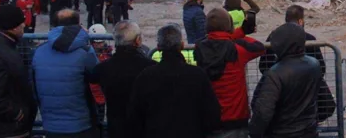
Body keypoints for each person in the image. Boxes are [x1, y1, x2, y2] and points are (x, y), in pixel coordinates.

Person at [128, 24, 221, 138]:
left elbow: (135, 116)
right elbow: (212, 113)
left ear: (158, 47)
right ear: (182, 45)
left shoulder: (145, 77)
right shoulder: (197, 75)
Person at [194, 8, 265, 138]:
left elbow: (210, 41)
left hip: (209, 119)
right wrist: (241, 33)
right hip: (236, 118)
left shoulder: (199, 49)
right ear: (229, 26)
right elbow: (259, 47)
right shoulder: (238, 49)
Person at [32, 9, 99, 137]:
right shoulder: (86, 51)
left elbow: (34, 87)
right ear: (78, 25)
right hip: (81, 124)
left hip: (50, 124)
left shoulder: (38, 51)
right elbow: (96, 80)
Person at [249, 23, 321, 138]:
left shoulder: (276, 73)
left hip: (281, 132)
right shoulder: (314, 64)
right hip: (309, 130)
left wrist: (254, 132)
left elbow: (263, 111)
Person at [90, 21, 155, 138]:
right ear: (138, 41)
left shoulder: (103, 68)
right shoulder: (151, 67)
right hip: (143, 127)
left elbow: (91, 78)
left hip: (116, 127)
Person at [0, 5, 36, 138]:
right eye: (21, 22)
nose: (24, 25)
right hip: (8, 129)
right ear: (13, 26)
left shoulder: (5, 46)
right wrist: (17, 114)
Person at [258, 5, 326, 76]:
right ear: (300, 21)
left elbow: (263, 66)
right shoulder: (309, 38)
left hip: (279, 82)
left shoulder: (273, 36)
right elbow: (321, 68)